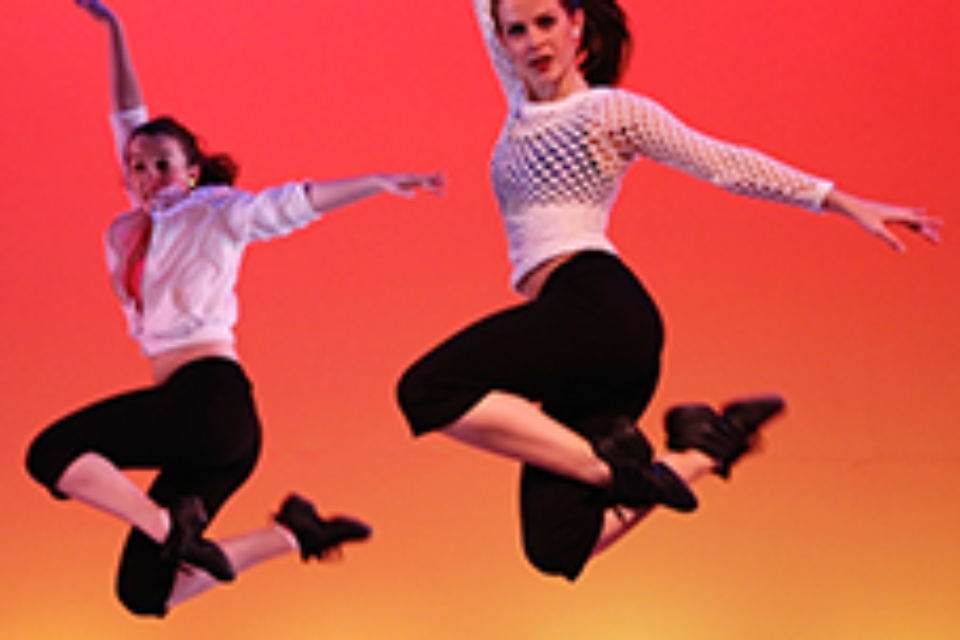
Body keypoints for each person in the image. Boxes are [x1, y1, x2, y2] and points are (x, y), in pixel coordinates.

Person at [396, 0, 941, 582]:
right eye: (517, 30)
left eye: (547, 22)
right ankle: (707, 449)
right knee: (557, 547)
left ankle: (614, 471)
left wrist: (840, 201)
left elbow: (723, 163)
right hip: (581, 338)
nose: (534, 41)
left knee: (428, 389)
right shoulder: (522, 103)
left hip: (596, 313)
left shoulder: (609, 111)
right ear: (502, 41)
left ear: (576, 23)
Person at [25, 0, 443, 618]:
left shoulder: (214, 211)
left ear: (191, 173)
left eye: (163, 166)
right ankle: (294, 535)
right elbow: (128, 116)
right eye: (137, 167)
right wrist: (114, 29)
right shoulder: (138, 224)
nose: (148, 175)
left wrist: (375, 181)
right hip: (214, 432)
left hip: (207, 405)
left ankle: (172, 530)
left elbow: (291, 204)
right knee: (143, 595)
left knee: (51, 454)